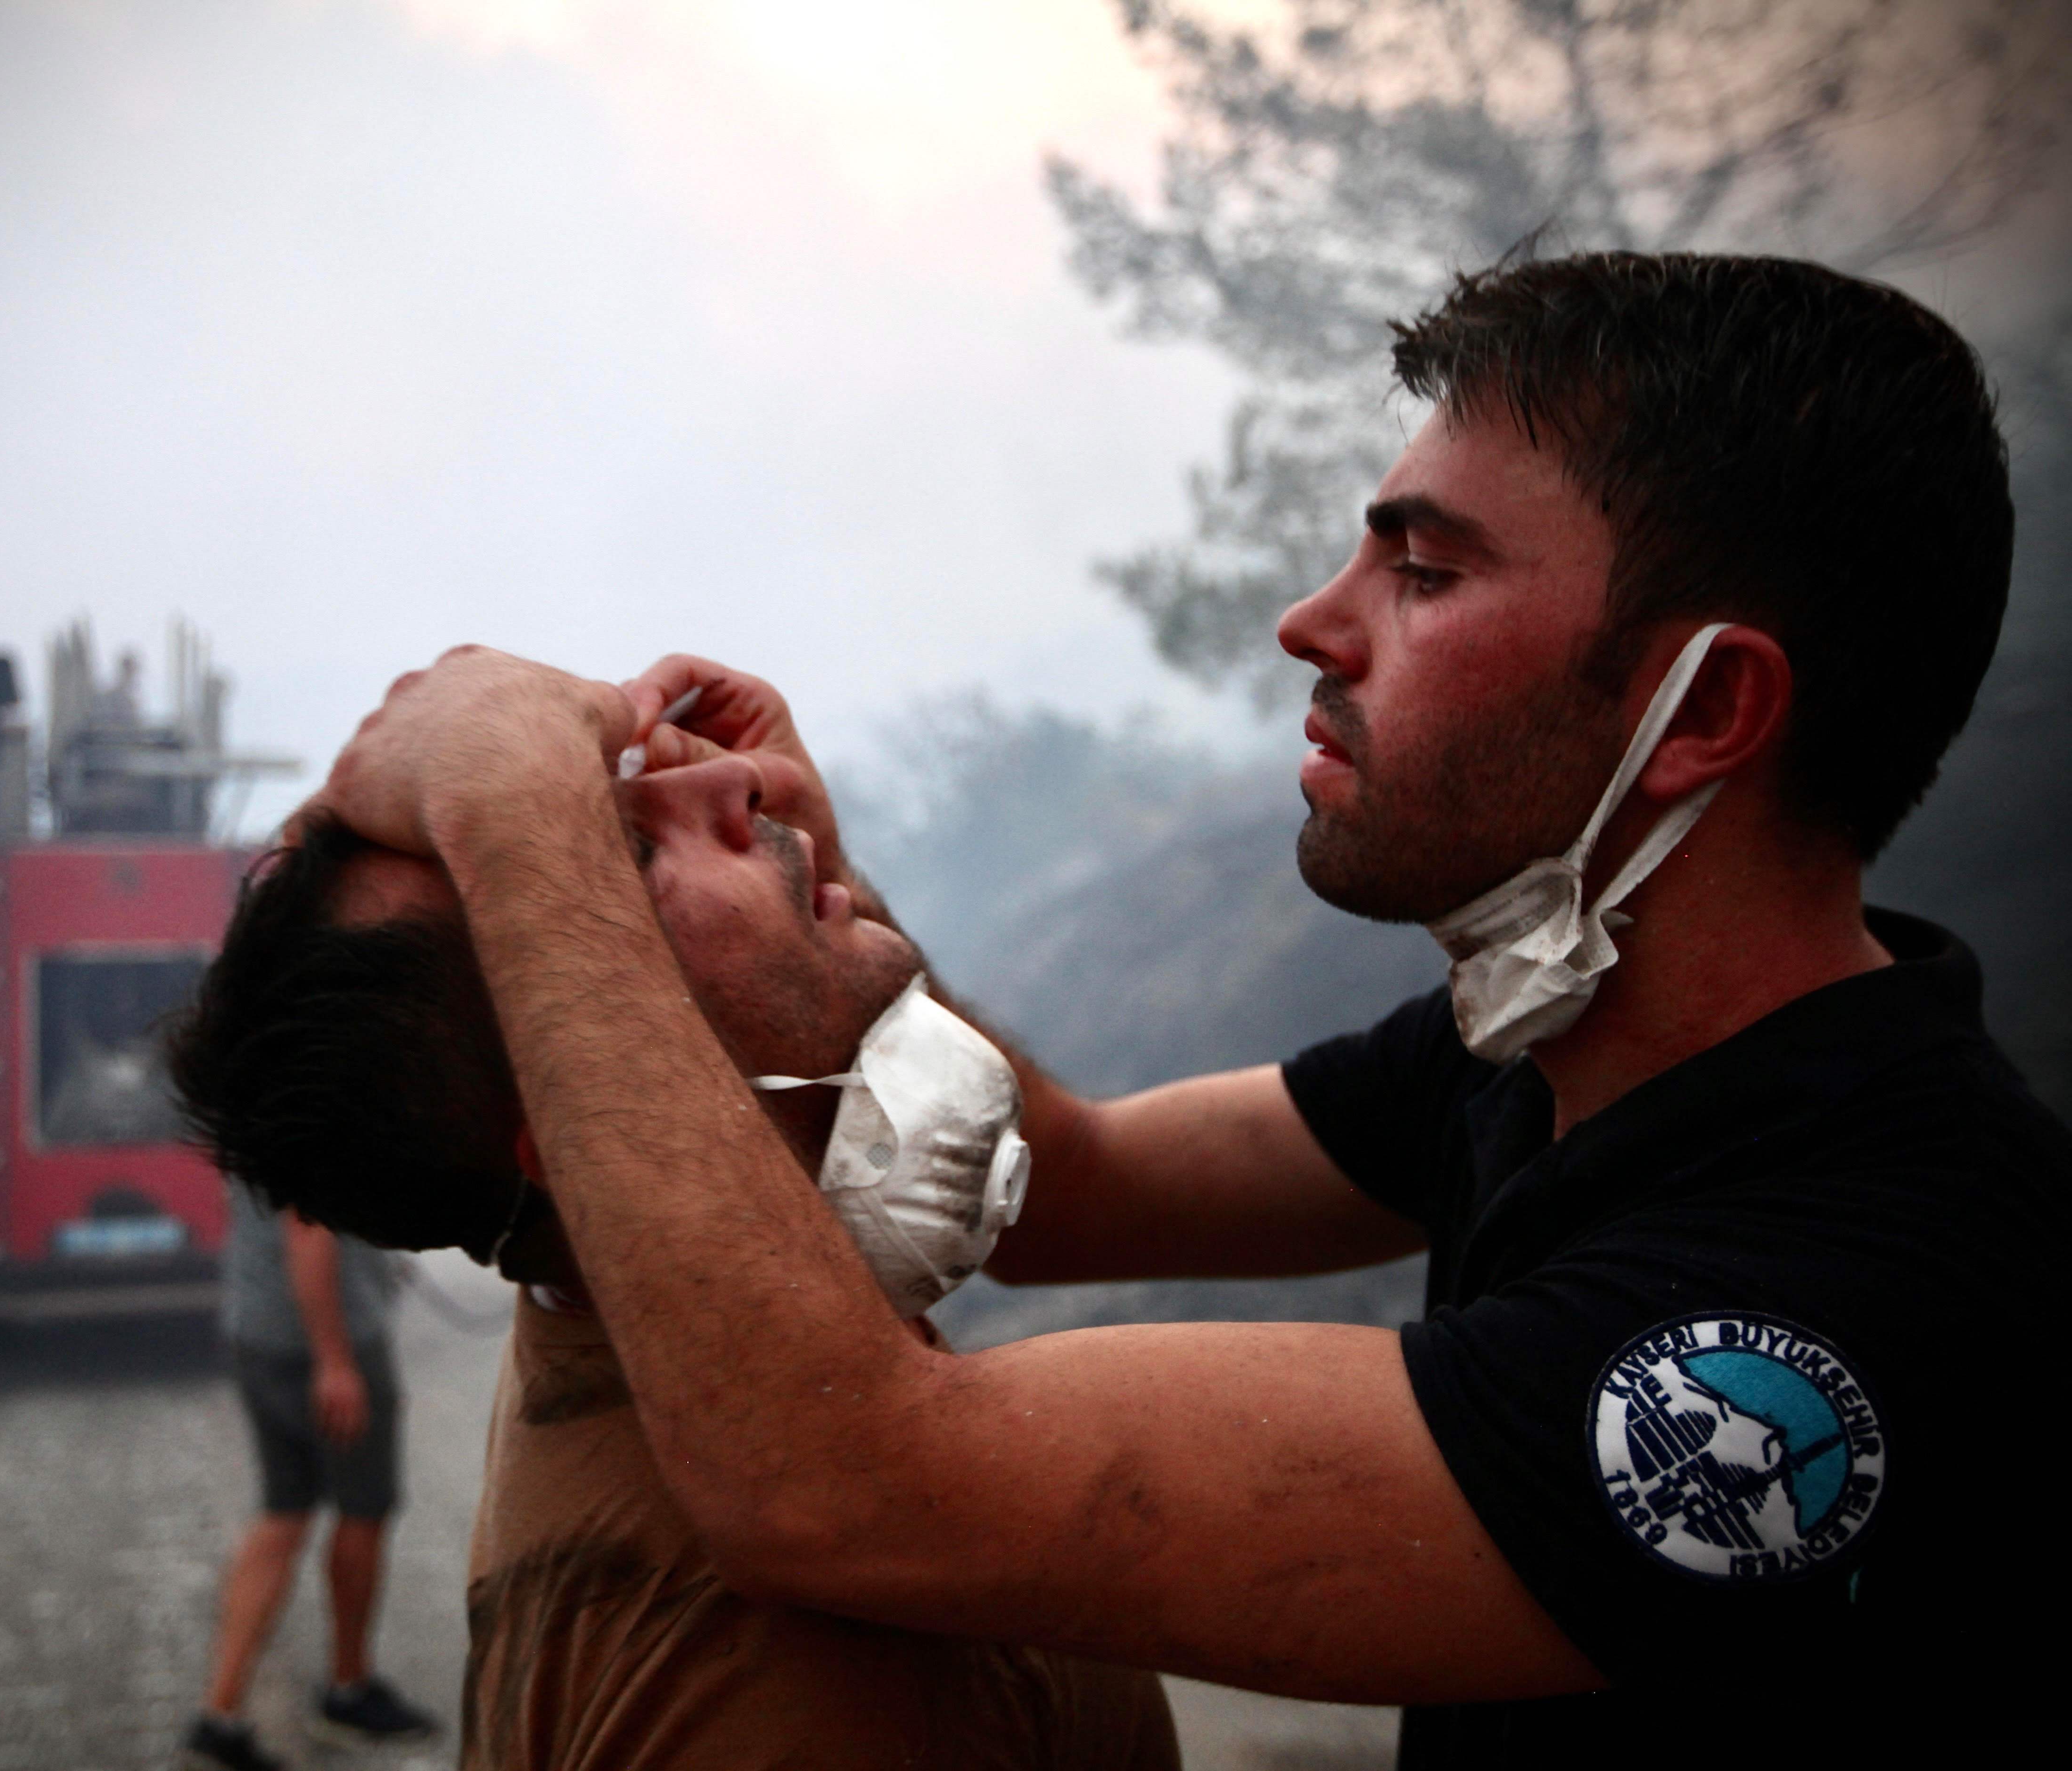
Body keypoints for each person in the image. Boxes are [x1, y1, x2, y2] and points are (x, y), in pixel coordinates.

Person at [296, 251, 2072, 1766]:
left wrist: (523, 823)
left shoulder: (1853, 1292)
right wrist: (819, 869)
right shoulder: (1542, 1050)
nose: (1314, 620)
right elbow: (1058, 1185)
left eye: (1423, 570)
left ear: (1700, 714)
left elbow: (848, 1483)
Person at [168, 783, 1183, 1769]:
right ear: (587, 1116)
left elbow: (1093, 1180)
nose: (727, 777)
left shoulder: (619, 1325)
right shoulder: (796, 1675)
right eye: (627, 859)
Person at [183, 1182, 438, 1770]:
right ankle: (348, 1690)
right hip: (326, 1343)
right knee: (364, 1509)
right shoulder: (311, 1097)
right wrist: (335, 1360)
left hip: (257, 1331)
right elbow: (307, 1229)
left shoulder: (241, 1100)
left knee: (284, 1512)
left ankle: (218, 1719)